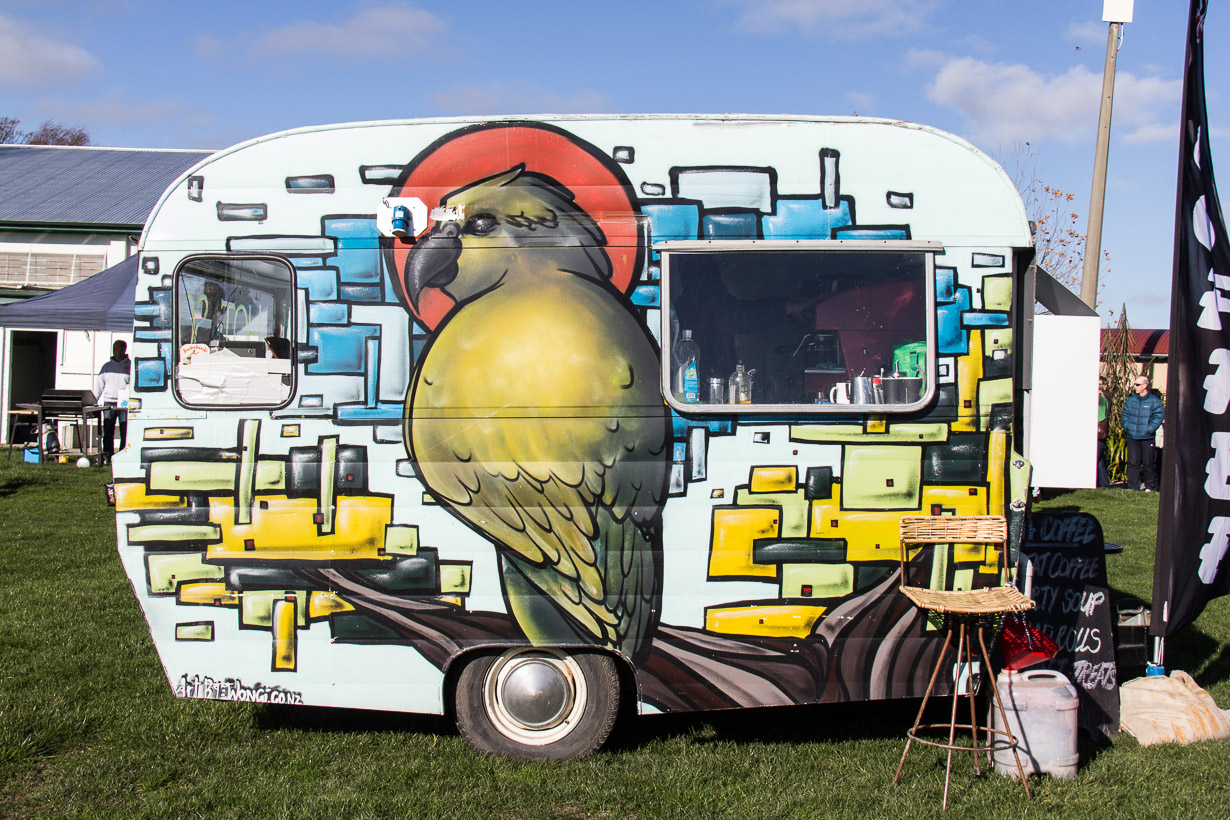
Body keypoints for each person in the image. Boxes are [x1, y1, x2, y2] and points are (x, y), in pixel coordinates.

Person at [1122, 374, 1164, 492]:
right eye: (1135, 384)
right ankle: (1133, 487)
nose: (1135, 386)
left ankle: (1150, 486)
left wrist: (1149, 429)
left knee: (1148, 463)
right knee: (1133, 463)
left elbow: (1158, 416)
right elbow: (1125, 414)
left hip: (1147, 437)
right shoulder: (1131, 400)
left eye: (1137, 384)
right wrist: (1127, 427)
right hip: (1133, 436)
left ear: (1145, 386)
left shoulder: (1154, 401)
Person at [94, 339, 131, 464]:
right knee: (108, 430)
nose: (116, 351)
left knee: (125, 431)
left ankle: (123, 454)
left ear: (124, 350)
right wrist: (94, 399)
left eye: (118, 348)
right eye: (114, 348)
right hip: (109, 402)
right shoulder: (107, 367)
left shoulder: (130, 366)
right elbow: (99, 385)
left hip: (124, 404)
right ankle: (107, 454)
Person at [1096, 376, 1111, 488]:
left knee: (1097, 458)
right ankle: (1104, 483)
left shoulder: (1101, 399)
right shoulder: (1104, 398)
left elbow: (1101, 416)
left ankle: (1101, 483)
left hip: (1098, 433)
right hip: (1101, 433)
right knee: (1100, 460)